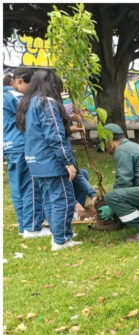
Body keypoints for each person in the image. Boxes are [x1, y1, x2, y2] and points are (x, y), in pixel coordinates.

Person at [14, 69, 79, 251]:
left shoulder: (29, 103)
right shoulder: (47, 103)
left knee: (50, 200)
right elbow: (55, 135)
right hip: (51, 162)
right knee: (62, 199)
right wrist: (68, 162)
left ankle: (59, 235)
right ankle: (62, 240)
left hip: (35, 162)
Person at [4, 67, 48, 238]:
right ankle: (32, 228)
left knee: (17, 188)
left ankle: (24, 225)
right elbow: (35, 114)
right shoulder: (15, 96)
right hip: (24, 146)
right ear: (20, 81)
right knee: (31, 186)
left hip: (10, 147)